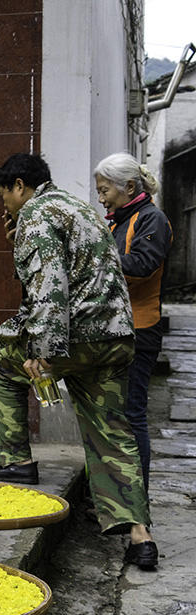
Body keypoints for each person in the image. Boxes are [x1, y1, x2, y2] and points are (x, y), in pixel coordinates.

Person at [0, 153, 158, 570]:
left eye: (4, 195)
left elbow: (49, 286)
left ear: (19, 186)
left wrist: (42, 351)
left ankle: (14, 462)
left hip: (78, 337)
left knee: (2, 365)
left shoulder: (37, 213)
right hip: (116, 337)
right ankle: (140, 537)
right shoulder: (80, 208)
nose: (5, 204)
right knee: (112, 431)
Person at [94, 152, 173, 490]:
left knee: (133, 414)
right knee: (116, 414)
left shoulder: (152, 219)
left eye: (105, 191)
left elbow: (142, 266)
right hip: (116, 328)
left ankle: (135, 496)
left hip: (139, 330)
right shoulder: (119, 221)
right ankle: (118, 494)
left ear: (128, 187)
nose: (101, 199)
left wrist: (96, 257)